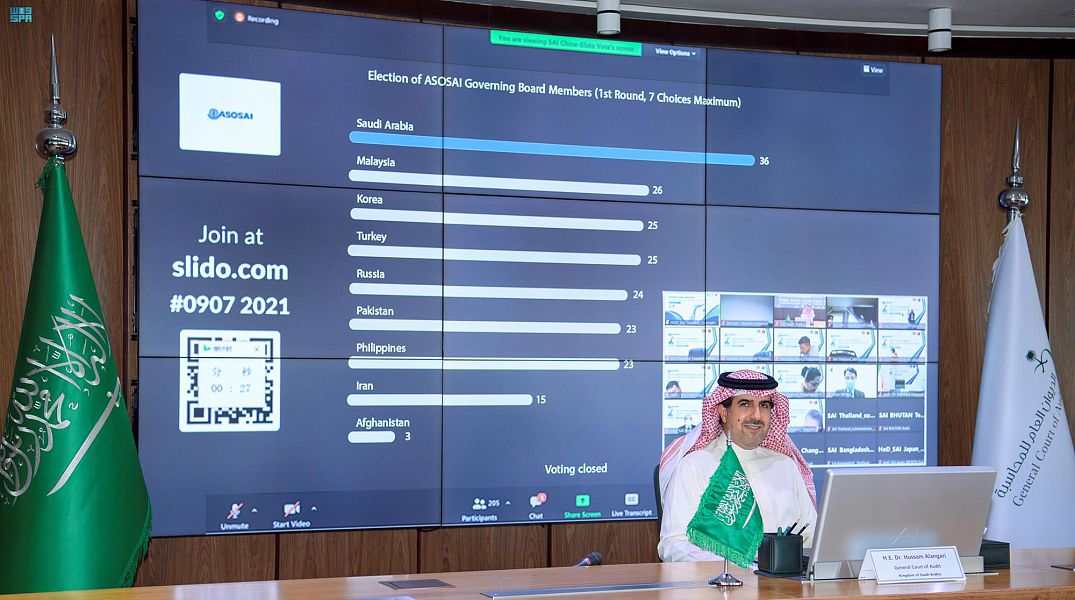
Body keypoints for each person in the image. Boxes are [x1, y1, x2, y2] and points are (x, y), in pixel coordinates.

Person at [657, 370, 817, 562]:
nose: (757, 415)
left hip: (786, 578)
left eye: (764, 405)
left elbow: (812, 534)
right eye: (745, 404)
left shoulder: (785, 465)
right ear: (724, 412)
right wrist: (734, 568)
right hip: (719, 578)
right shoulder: (694, 466)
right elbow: (674, 544)